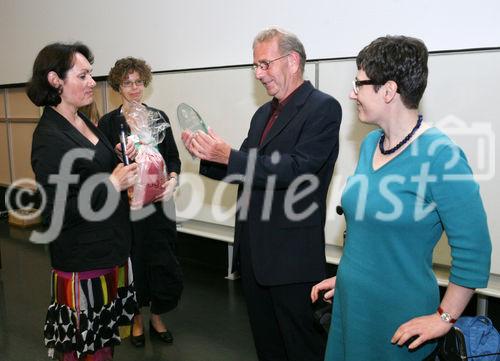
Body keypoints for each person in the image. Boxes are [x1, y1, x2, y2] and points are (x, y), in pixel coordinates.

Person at [311, 35, 492, 360]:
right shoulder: (370, 145)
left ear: (388, 90)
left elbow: (475, 250)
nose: (353, 93)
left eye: (359, 83)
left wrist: (444, 318)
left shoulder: (442, 156)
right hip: (351, 310)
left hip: (397, 323)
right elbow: (370, 228)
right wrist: (349, 278)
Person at [182, 27, 342, 361]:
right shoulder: (263, 114)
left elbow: (298, 170)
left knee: (302, 349)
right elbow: (247, 170)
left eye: (265, 64)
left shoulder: (323, 108)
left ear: (293, 61)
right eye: (255, 66)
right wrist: (208, 156)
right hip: (255, 256)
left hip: (292, 259)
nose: (258, 74)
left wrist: (229, 155)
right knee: (268, 348)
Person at [28, 42, 138, 361]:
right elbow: (55, 211)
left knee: (103, 344)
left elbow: (90, 170)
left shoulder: (81, 120)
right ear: (55, 80)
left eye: (91, 74)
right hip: (83, 261)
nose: (92, 81)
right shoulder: (49, 138)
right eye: (83, 75)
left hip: (108, 251)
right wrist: (112, 182)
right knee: (87, 349)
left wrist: (116, 157)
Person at [98, 57, 182, 347]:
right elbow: (103, 164)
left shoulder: (159, 117)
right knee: (133, 263)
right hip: (128, 207)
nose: (134, 88)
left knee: (162, 260)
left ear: (145, 82)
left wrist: (172, 179)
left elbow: (172, 156)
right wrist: (117, 154)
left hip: (159, 204)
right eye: (127, 83)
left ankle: (157, 316)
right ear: (117, 87)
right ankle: (135, 319)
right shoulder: (109, 123)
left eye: (138, 82)